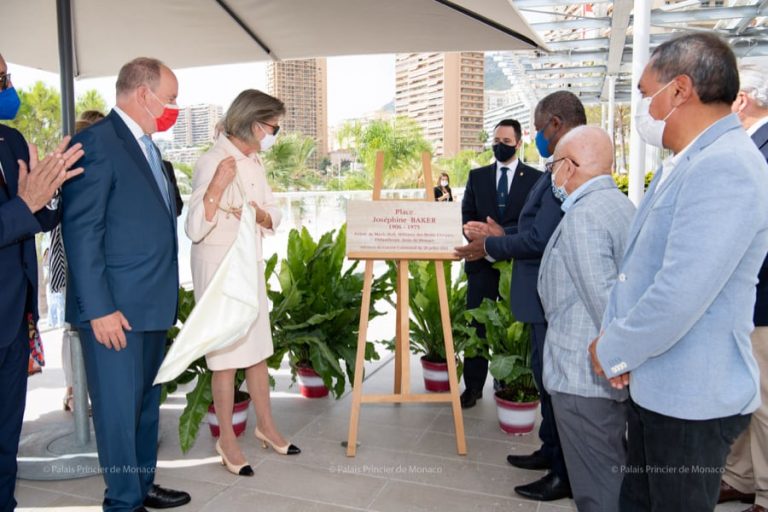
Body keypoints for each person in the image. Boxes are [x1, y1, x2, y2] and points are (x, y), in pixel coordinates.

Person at [589, 33, 768, 511]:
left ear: (680, 90)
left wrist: (614, 349)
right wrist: (626, 351)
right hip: (663, 386)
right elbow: (640, 271)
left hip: (691, 398)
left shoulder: (726, 166)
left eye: (647, 94)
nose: (644, 108)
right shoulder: (693, 160)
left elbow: (679, 293)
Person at [62, 57, 190, 512]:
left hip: (150, 306)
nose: (174, 108)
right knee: (117, 416)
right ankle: (122, 501)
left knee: (144, 409)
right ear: (143, 94)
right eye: (170, 99)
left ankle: (141, 485)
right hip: (114, 311)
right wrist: (98, 309)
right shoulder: (96, 143)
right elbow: (82, 232)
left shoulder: (147, 147)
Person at [456, 91, 586, 502]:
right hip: (534, 292)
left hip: (548, 293)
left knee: (555, 384)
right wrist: (499, 234)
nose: (538, 135)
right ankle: (550, 451)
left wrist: (494, 242)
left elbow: (540, 236)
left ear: (555, 124)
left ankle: (563, 472)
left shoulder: (570, 167)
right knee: (546, 379)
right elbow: (532, 229)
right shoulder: (556, 166)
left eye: (538, 128)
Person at [186, 89, 300, 477]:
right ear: (254, 124)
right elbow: (194, 228)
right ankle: (227, 441)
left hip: (249, 267)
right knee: (225, 359)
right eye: (273, 127)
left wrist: (264, 217)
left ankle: (266, 426)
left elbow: (273, 209)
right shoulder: (212, 161)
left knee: (257, 350)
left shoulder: (254, 162)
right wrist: (217, 187)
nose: (274, 135)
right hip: (220, 272)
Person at [0, 52, 84, 512]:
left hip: (15, 317)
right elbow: (19, 210)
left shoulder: (10, 139)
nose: (8, 88)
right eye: (1, 80)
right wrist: (26, 203)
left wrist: (51, 192)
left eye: (6, 77)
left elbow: (36, 216)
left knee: (6, 438)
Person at [538, 126, 635, 511]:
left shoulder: (586, 216)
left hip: (583, 374)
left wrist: (618, 358)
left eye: (553, 166)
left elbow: (604, 300)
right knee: (610, 469)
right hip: (604, 376)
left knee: (597, 488)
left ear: (570, 166)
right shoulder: (619, 204)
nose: (552, 175)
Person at [458, 119, 540, 409]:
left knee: (511, 326)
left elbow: (533, 224)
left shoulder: (535, 178)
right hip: (480, 264)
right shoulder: (477, 176)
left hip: (516, 265)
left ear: (518, 143)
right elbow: (467, 217)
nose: (499, 146)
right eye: (496, 141)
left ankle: (506, 382)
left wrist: (502, 236)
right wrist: (480, 242)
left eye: (505, 142)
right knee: (476, 326)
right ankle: (473, 386)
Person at [719, 62, 768, 512]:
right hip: (746, 300)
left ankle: (765, 493)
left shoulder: (762, 148)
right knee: (744, 396)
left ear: (742, 99)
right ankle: (740, 477)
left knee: (764, 400)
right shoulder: (751, 145)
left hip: (762, 300)